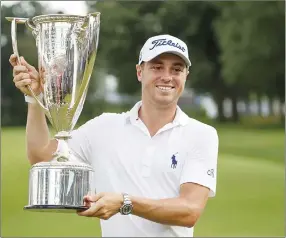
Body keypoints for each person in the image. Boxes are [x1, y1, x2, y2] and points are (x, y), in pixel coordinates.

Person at [10, 34, 219, 237]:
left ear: (185, 76)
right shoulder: (104, 127)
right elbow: (41, 157)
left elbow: (189, 211)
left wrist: (124, 202)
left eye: (177, 69)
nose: (167, 76)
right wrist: (35, 98)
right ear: (140, 72)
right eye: (157, 67)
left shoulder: (202, 135)